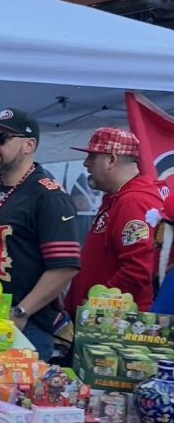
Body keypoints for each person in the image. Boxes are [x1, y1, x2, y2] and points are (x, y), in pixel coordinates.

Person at [0, 108, 81, 360]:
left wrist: (21, 313)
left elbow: (64, 267)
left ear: (29, 145)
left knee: (15, 398)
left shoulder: (49, 196)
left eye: (2, 138)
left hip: (24, 326)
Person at [65, 128, 163, 313]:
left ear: (111, 160)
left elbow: (138, 270)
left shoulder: (133, 202)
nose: (86, 163)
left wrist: (95, 308)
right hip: (101, 321)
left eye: (92, 156)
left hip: (113, 324)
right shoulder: (119, 198)